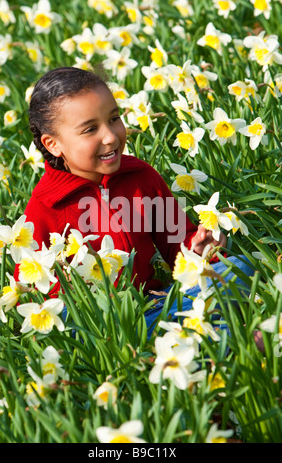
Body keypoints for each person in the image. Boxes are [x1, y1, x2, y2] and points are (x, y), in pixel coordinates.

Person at [20, 66, 254, 334]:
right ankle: (221, 337)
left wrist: (199, 250)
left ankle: (195, 337)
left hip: (157, 303)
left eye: (114, 118)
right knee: (79, 331)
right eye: (90, 129)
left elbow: (178, 245)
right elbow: (33, 289)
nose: (110, 136)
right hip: (104, 325)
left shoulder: (141, 176)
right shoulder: (46, 205)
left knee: (239, 269)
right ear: (53, 144)